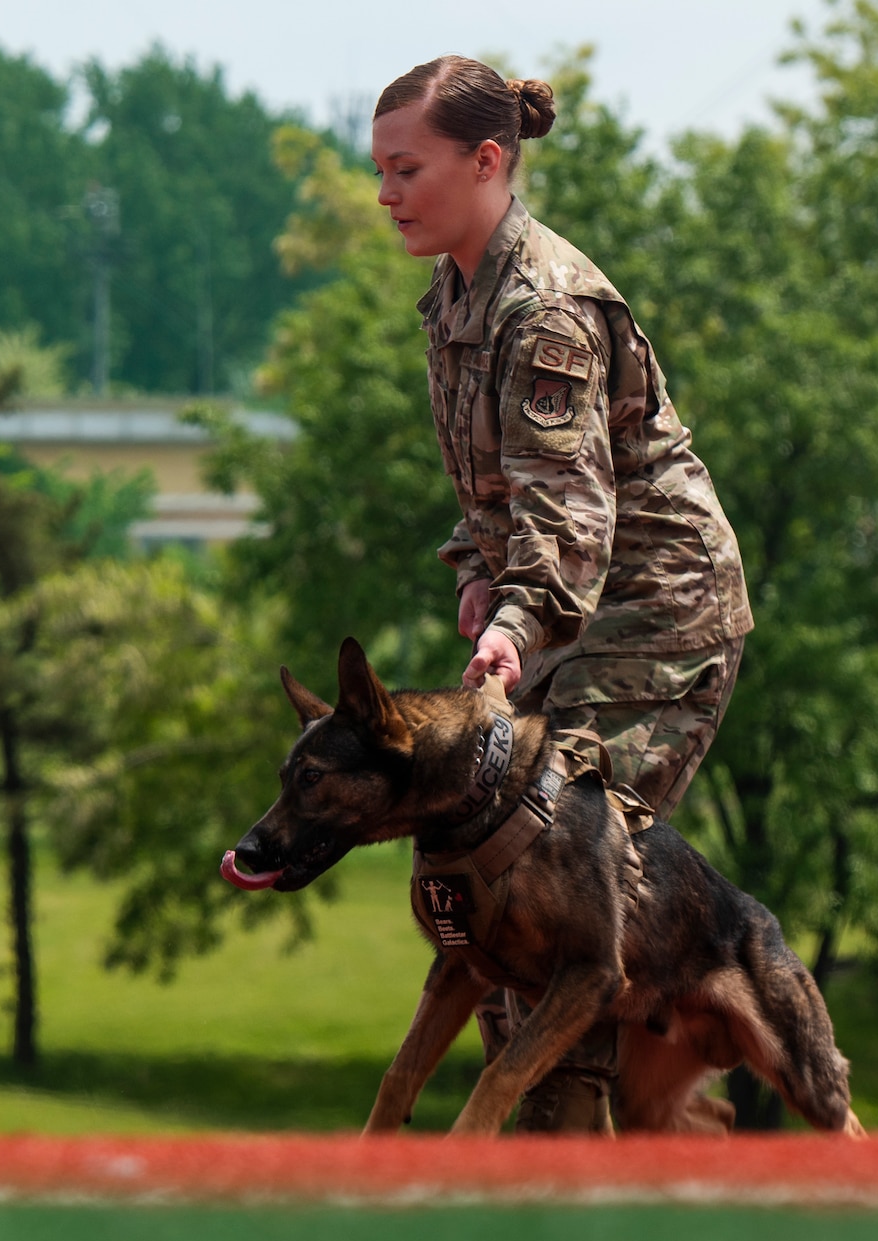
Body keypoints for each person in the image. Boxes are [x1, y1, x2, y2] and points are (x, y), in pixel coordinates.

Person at [371, 58, 753, 1133]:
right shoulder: (454, 293)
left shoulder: (542, 310)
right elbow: (491, 486)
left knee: (548, 885)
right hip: (563, 617)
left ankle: (568, 1193)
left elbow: (570, 509)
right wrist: (481, 575)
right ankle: (653, 1170)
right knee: (517, 901)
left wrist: (511, 615)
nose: (386, 193)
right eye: (378, 172)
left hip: (655, 615)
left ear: (485, 161)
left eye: (407, 168)